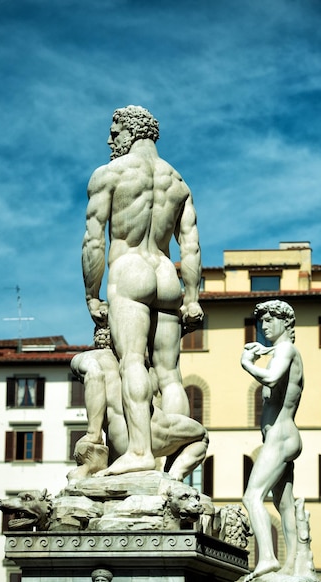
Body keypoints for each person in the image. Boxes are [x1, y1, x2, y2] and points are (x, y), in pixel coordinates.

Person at [81, 105, 204, 475]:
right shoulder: (178, 182)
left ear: (131, 132)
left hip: (130, 270)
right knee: (170, 374)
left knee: (133, 359)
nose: (109, 139)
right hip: (167, 274)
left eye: (114, 131)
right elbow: (191, 246)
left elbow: (93, 241)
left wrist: (92, 293)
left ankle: (139, 452)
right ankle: (169, 462)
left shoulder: (110, 174)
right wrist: (193, 297)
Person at [70, 324, 208, 480]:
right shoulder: (141, 365)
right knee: (201, 435)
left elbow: (94, 376)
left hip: (119, 440)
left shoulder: (87, 358)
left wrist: (93, 434)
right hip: (154, 435)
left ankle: (166, 478)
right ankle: (174, 477)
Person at [241, 300, 304, 581]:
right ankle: (295, 563)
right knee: (284, 504)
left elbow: (272, 378)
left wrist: (246, 364)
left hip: (280, 436)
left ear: (286, 323)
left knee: (252, 496)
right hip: (282, 436)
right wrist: (261, 353)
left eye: (269, 321)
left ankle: (266, 557)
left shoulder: (287, 350)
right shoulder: (279, 351)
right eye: (261, 322)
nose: (264, 326)